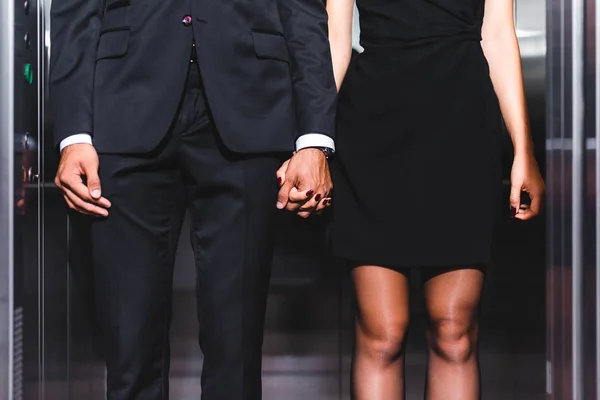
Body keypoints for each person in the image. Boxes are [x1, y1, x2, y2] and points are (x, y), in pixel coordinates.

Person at [49, 0, 336, 398]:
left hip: (250, 107)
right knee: (130, 350)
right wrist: (73, 134)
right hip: (123, 108)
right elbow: (74, 10)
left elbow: (303, 11)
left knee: (236, 352)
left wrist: (315, 139)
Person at [325, 0, 545, 398]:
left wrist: (523, 151)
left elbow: (496, 34)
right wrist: (311, 143)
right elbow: (336, 38)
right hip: (374, 127)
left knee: (454, 331)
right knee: (382, 334)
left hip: (462, 127)